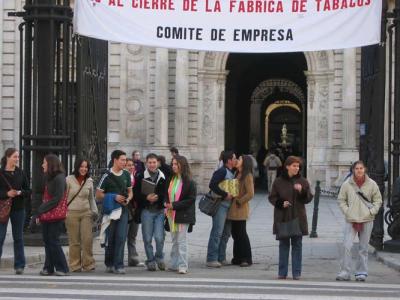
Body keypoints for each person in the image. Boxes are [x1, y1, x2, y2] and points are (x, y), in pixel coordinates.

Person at [336, 160, 382, 282]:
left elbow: (378, 200)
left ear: (365, 169)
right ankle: (345, 272)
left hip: (366, 218)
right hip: (351, 219)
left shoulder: (372, 184)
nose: (359, 170)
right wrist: (347, 211)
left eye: (361, 168)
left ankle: (361, 272)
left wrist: (372, 212)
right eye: (357, 168)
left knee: (363, 248)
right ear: (353, 170)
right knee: (346, 245)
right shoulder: (347, 184)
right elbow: (341, 200)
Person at [269, 156, 313, 280]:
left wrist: (302, 191)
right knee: (283, 244)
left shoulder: (303, 181)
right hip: (283, 217)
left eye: (298, 166)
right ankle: (282, 273)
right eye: (294, 166)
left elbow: (308, 198)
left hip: (298, 217)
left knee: (297, 245)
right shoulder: (278, 181)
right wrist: (280, 203)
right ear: (287, 166)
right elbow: (272, 197)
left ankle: (296, 273)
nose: (296, 168)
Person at [97, 150, 133, 274]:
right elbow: (98, 195)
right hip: (110, 211)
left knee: (121, 237)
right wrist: (113, 197)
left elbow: (130, 191)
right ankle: (109, 263)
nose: (125, 162)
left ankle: (119, 264)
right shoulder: (106, 176)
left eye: (125, 160)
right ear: (115, 160)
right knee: (110, 237)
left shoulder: (127, 175)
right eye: (122, 160)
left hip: (123, 210)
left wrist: (128, 199)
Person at [35, 154, 69, 276]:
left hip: (55, 215)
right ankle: (48, 267)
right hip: (47, 214)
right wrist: (41, 212)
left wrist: (41, 209)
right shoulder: (49, 177)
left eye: (44, 162)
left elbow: (57, 198)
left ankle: (63, 268)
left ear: (50, 164)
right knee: (47, 241)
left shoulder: (60, 177)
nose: (42, 165)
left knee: (53, 241)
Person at [0, 148, 30, 275]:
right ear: (7, 157)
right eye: (14, 156)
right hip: (2, 209)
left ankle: (19, 265)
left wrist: (19, 192)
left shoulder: (21, 173)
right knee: (0, 237)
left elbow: (28, 191)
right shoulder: (1, 172)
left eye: (18, 157)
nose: (17, 159)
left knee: (18, 237)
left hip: (18, 208)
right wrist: (6, 193)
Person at [165, 155, 196, 274]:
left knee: (182, 241)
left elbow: (191, 199)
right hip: (170, 214)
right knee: (174, 240)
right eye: (172, 164)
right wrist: (166, 202)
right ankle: (173, 264)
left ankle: (183, 265)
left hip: (183, 215)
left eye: (175, 164)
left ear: (182, 165)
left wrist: (174, 205)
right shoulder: (171, 179)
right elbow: (166, 193)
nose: (173, 166)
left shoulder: (189, 181)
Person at [135, 153, 167, 271]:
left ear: (157, 163)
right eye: (150, 162)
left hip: (159, 211)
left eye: (154, 162)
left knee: (159, 237)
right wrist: (146, 198)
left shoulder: (163, 176)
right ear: (146, 163)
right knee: (147, 238)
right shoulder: (140, 176)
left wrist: (159, 197)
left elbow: (165, 193)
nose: (152, 165)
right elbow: (136, 194)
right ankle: (150, 260)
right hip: (146, 211)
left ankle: (159, 257)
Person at [65, 158, 98, 272]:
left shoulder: (89, 181)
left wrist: (94, 211)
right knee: (74, 241)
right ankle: (75, 265)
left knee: (87, 239)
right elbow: (64, 198)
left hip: (86, 213)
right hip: (71, 213)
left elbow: (91, 198)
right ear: (77, 167)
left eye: (86, 167)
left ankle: (88, 263)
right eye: (82, 166)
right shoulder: (68, 179)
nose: (84, 169)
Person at [206, 150, 237, 268]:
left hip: (228, 206)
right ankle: (211, 258)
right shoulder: (222, 171)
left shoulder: (231, 171)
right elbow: (212, 185)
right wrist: (225, 194)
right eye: (234, 158)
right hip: (220, 205)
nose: (236, 160)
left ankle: (221, 257)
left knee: (226, 233)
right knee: (217, 232)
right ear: (229, 160)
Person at [227, 155, 254, 267]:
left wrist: (239, 201)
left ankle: (246, 258)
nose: (237, 160)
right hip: (233, 208)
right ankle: (237, 257)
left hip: (240, 208)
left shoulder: (247, 175)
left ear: (245, 162)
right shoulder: (236, 173)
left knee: (241, 233)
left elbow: (250, 193)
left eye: (240, 159)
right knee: (235, 234)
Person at [125, 158, 142, 267]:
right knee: (123, 235)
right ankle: (117, 259)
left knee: (132, 235)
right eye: (128, 165)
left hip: (135, 210)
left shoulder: (137, 178)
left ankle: (133, 258)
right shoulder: (123, 178)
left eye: (132, 165)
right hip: (126, 209)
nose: (131, 167)